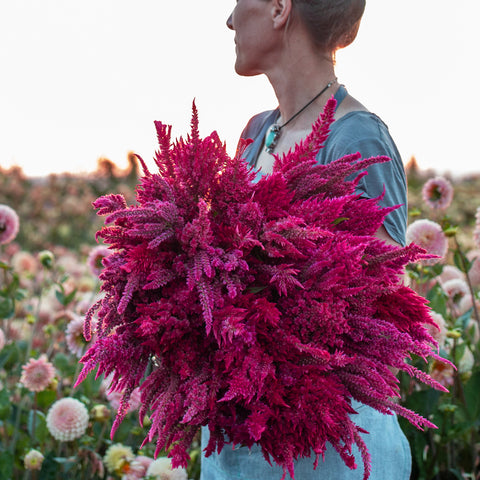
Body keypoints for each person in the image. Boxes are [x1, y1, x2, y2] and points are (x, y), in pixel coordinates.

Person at [201, 1, 411, 478]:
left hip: (328, 451)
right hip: (238, 439)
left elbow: (382, 319)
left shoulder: (357, 140)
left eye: (238, 1)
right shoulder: (256, 133)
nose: (230, 19)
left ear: (279, 9)